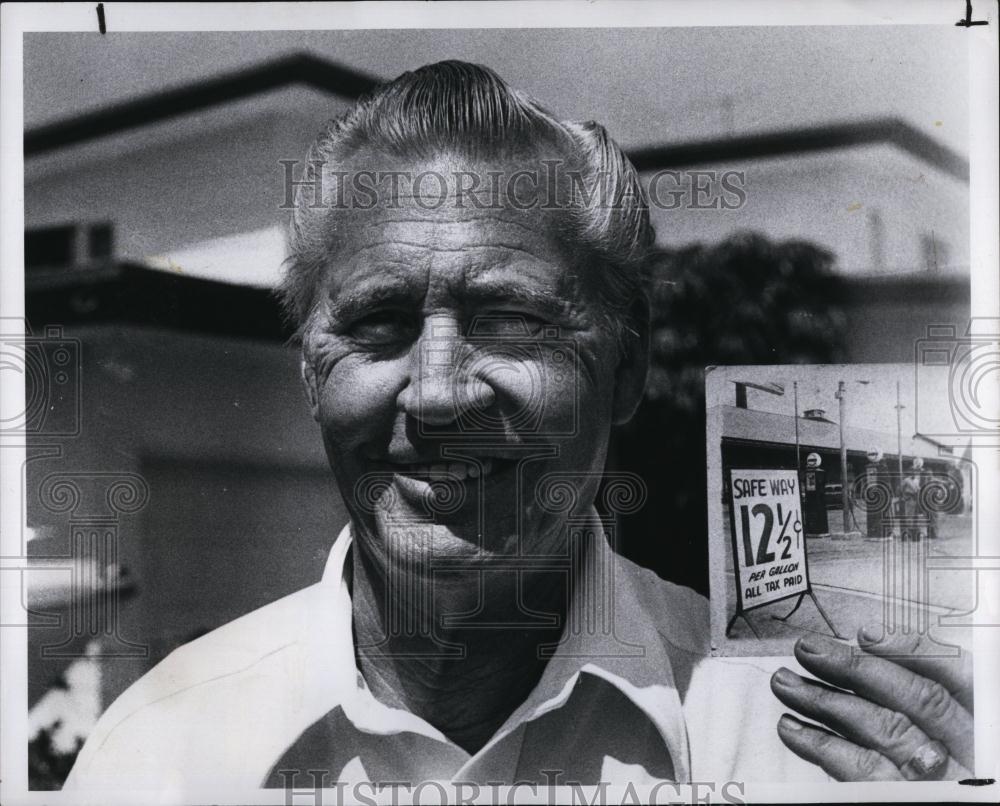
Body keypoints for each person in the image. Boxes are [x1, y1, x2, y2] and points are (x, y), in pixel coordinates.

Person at [64, 61, 973, 793]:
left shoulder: (815, 756)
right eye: (378, 323)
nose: (439, 394)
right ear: (310, 369)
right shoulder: (157, 757)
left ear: (625, 366)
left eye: (512, 320)